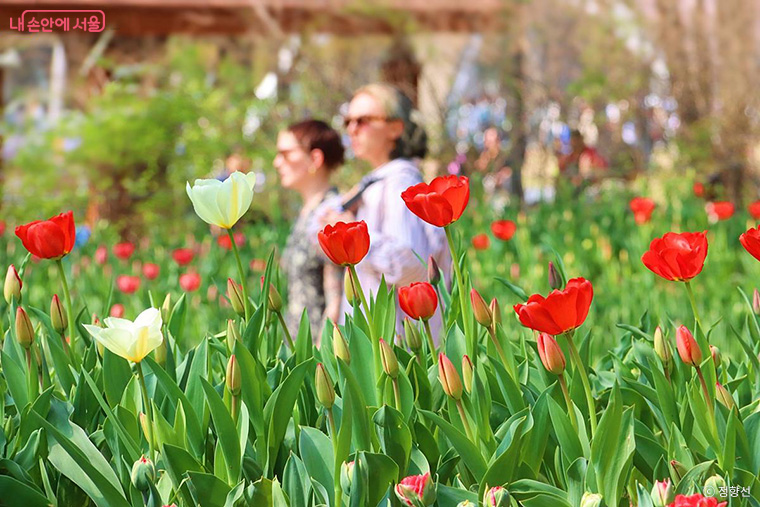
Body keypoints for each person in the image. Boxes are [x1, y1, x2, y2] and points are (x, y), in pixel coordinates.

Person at [320, 83, 450, 335]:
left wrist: (357, 236)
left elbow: (409, 262)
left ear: (395, 128)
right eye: (348, 121)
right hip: (378, 337)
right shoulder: (374, 182)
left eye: (363, 120)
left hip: (399, 343)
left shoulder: (400, 183)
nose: (352, 129)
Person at [275, 119, 345, 342]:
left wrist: (321, 357)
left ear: (315, 158)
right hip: (296, 347)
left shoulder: (331, 216)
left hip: (317, 354)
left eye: (285, 154)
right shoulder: (307, 214)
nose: (277, 162)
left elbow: (336, 301)